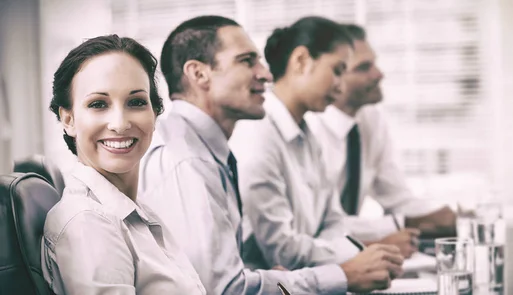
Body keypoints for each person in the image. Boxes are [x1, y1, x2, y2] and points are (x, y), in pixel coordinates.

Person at [139, 15, 403, 295]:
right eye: (247, 60)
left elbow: (226, 276)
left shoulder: (204, 150)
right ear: (198, 74)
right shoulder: (190, 162)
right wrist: (340, 275)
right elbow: (224, 290)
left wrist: (265, 278)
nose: (266, 74)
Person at [229, 16, 401, 272]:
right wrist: (353, 259)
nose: (341, 86)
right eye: (337, 70)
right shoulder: (258, 134)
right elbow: (281, 250)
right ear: (301, 61)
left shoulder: (307, 135)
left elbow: (333, 220)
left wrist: (354, 254)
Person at [42, 35, 206, 294]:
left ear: (155, 113)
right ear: (69, 119)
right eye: (98, 104)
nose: (119, 123)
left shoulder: (134, 212)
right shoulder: (89, 223)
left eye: (136, 102)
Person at [306, 24, 457, 245]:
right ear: (334, 77)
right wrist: (402, 223)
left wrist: (441, 215)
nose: (379, 74)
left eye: (374, 63)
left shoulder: (370, 120)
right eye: (364, 67)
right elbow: (319, 226)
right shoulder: (309, 131)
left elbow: (396, 197)